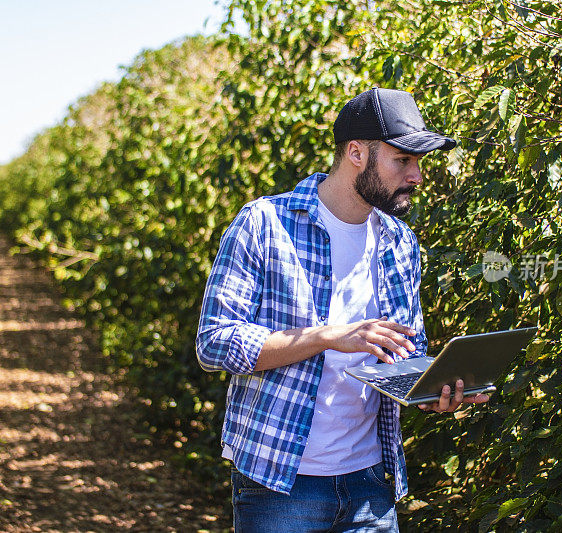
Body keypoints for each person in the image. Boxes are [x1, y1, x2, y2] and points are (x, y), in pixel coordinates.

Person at [196, 88, 490, 532]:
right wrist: (329, 336)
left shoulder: (399, 241)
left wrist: (434, 390)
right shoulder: (264, 224)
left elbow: (405, 352)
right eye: (402, 160)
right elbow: (213, 344)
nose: (417, 176)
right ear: (356, 153)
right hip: (279, 483)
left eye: (418, 162)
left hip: (370, 484)